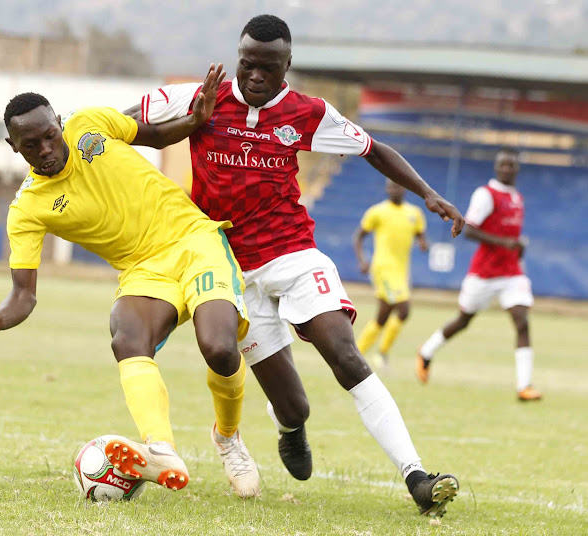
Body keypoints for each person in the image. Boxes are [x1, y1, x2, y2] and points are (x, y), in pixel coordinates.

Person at [127, 14, 464, 517]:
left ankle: (416, 474)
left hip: (293, 253)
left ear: (288, 65)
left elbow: (374, 150)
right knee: (294, 405)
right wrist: (70, 138)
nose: (255, 76)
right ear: (237, 58)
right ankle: (290, 427)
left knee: (344, 353)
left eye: (268, 67)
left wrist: (429, 194)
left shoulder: (309, 112)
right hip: (228, 268)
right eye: (248, 64)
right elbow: (124, 125)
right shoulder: (201, 96)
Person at [0, 65, 262, 498]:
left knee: (219, 347)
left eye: (49, 135)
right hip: (144, 270)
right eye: (30, 144)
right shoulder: (27, 209)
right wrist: (1, 318)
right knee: (126, 335)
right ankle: (160, 448)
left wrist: (195, 120)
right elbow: (24, 294)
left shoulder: (89, 123)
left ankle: (227, 438)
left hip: (195, 240)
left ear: (59, 123)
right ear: (13, 146)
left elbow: (151, 135)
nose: (45, 148)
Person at [417, 148, 541, 402]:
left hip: (511, 273)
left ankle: (524, 387)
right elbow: (470, 230)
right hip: (484, 273)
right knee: (463, 320)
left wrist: (517, 247)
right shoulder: (486, 194)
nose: (507, 169)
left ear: (517, 169)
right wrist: (503, 242)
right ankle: (426, 352)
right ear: (496, 168)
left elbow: (511, 236)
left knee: (522, 321)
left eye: (512, 165)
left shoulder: (517, 197)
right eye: (503, 165)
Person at [353, 180, 428, 369]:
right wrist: (362, 260)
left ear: (405, 188)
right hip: (383, 268)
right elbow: (359, 236)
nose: (394, 189)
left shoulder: (415, 214)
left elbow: (421, 235)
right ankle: (381, 353)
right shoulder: (377, 212)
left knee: (382, 317)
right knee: (404, 309)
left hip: (402, 271)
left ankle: (356, 355)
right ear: (386, 189)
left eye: (398, 185)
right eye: (391, 186)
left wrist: (423, 243)